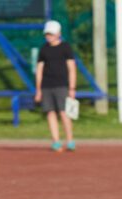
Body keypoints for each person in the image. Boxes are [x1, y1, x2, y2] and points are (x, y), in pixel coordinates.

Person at [34, 20, 76, 152]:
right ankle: (56, 141)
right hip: (47, 85)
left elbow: (71, 68)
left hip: (61, 85)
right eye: (47, 34)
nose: (49, 36)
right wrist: (38, 90)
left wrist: (72, 87)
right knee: (50, 112)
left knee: (64, 113)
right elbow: (39, 69)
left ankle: (70, 140)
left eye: (51, 34)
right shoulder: (44, 49)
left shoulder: (65, 47)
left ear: (58, 33)